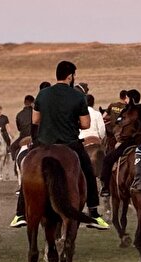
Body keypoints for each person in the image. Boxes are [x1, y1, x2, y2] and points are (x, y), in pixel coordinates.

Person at [13, 60, 109, 230]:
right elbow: (86, 124)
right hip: (70, 143)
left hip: (44, 143)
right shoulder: (78, 96)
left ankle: (20, 214)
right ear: (70, 76)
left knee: (28, 170)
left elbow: (35, 120)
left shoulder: (43, 94)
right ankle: (94, 213)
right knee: (88, 171)